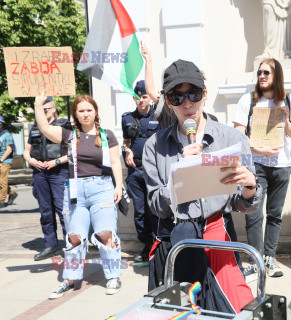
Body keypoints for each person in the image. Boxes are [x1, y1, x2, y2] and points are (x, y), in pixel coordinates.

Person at [143, 59, 261, 314]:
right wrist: (180, 174)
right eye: (177, 96)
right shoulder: (154, 145)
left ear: (205, 94)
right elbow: (156, 207)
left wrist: (251, 188)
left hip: (218, 237)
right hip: (175, 242)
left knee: (234, 311)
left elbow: (242, 204)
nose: (187, 104)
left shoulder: (232, 138)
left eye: (193, 94)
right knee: (179, 314)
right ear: (166, 100)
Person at [34, 92, 123, 299]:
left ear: (95, 112)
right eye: (81, 110)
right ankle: (70, 278)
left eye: (89, 110)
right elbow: (45, 129)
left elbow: (116, 161)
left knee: (105, 234)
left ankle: (113, 276)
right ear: (75, 113)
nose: (85, 114)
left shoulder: (107, 134)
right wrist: (38, 105)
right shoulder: (69, 133)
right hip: (74, 190)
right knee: (74, 238)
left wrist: (118, 185)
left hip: (102, 188)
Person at [233, 58, 291, 279]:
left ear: (276, 76)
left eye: (266, 73)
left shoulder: (288, 99)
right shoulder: (248, 101)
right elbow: (238, 135)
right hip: (255, 165)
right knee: (253, 213)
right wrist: (258, 149)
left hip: (281, 165)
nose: (261, 76)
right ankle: (255, 260)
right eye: (259, 72)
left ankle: (269, 259)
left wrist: (287, 117)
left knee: (274, 214)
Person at [23, 97, 71, 261]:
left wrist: (57, 161)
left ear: (53, 109)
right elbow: (26, 150)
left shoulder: (64, 125)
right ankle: (50, 245)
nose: (42, 114)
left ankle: (70, 246)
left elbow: (74, 151)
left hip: (58, 172)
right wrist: (30, 160)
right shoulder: (35, 128)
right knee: (45, 212)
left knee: (63, 210)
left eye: (45, 110)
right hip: (39, 173)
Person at [122, 80, 160, 263]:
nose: (141, 100)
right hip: (135, 171)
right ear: (133, 97)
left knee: (156, 209)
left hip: (154, 170)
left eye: (144, 97)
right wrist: (126, 150)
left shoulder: (159, 115)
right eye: (138, 97)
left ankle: (160, 245)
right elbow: (126, 141)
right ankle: (146, 244)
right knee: (140, 211)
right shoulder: (127, 118)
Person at [0, 115, 17, 208]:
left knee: (3, 181)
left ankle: (1, 201)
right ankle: (12, 193)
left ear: (2, 124)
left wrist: (1, 160)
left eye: (0, 123)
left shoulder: (7, 135)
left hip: (5, 161)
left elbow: (9, 150)